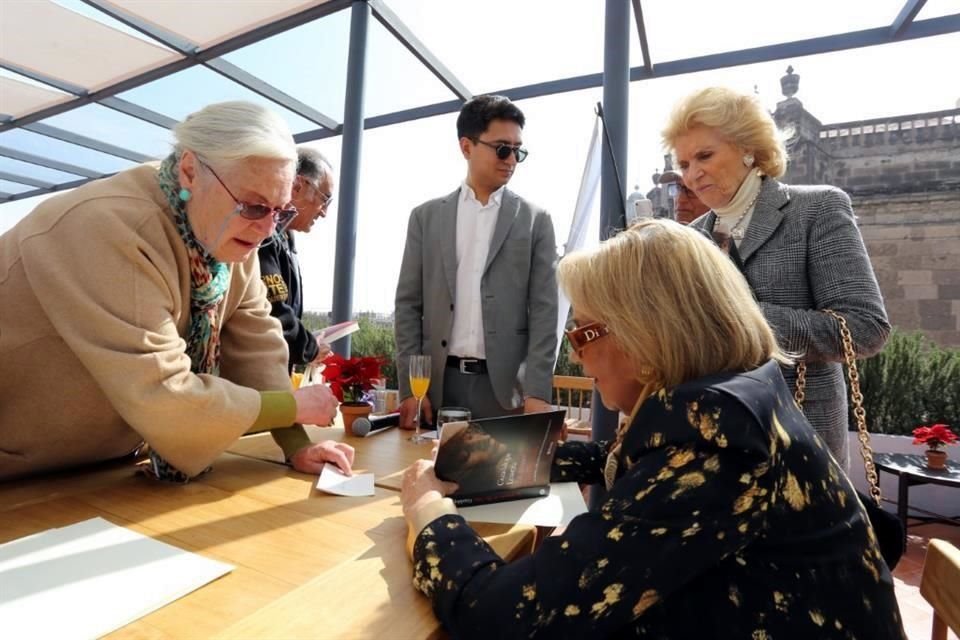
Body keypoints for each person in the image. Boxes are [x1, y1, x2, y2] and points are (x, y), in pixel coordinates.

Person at [401, 219, 905, 639]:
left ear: (647, 334)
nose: (574, 352)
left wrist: (428, 513)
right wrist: (486, 457)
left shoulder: (717, 440)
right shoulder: (734, 394)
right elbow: (620, 458)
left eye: (583, 331)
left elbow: (508, 619)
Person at [0, 101, 354, 482]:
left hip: (94, 469)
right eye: (254, 206)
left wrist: (298, 445)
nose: (268, 229)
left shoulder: (228, 238)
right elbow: (164, 393)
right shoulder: (111, 225)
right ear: (189, 171)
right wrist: (290, 407)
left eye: (280, 212)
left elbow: (257, 344)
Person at [662, 86, 890, 468]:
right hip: (711, 436)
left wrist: (742, 318)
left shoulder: (818, 208)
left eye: (704, 155)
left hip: (799, 432)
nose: (692, 174)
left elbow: (865, 329)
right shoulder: (689, 238)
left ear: (748, 148)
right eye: (683, 164)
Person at [394, 94, 558, 425]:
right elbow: (408, 306)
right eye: (502, 148)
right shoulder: (425, 219)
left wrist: (537, 392)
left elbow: (545, 311)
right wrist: (410, 388)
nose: (511, 159)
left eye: (517, 150)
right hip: (438, 388)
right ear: (466, 147)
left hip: (507, 394)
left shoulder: (536, 220)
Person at [258, 147, 335, 372]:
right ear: (298, 186)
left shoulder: (286, 237)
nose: (324, 213)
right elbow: (272, 311)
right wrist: (309, 347)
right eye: (325, 200)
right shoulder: (263, 233)